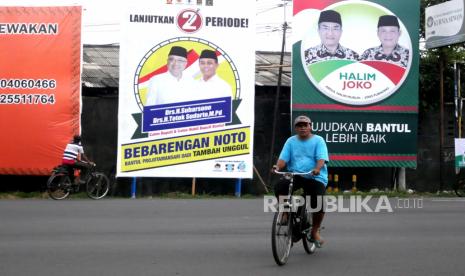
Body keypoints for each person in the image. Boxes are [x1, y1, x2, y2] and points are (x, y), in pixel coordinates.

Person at [272, 115, 329, 247]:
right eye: (299, 125)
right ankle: (286, 213)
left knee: (319, 202)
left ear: (310, 126)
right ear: (296, 128)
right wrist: (277, 167)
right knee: (280, 187)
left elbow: (321, 159)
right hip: (295, 175)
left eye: (305, 125)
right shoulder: (291, 141)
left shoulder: (318, 140)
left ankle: (314, 231)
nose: (302, 128)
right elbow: (283, 159)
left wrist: (317, 168)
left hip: (314, 176)